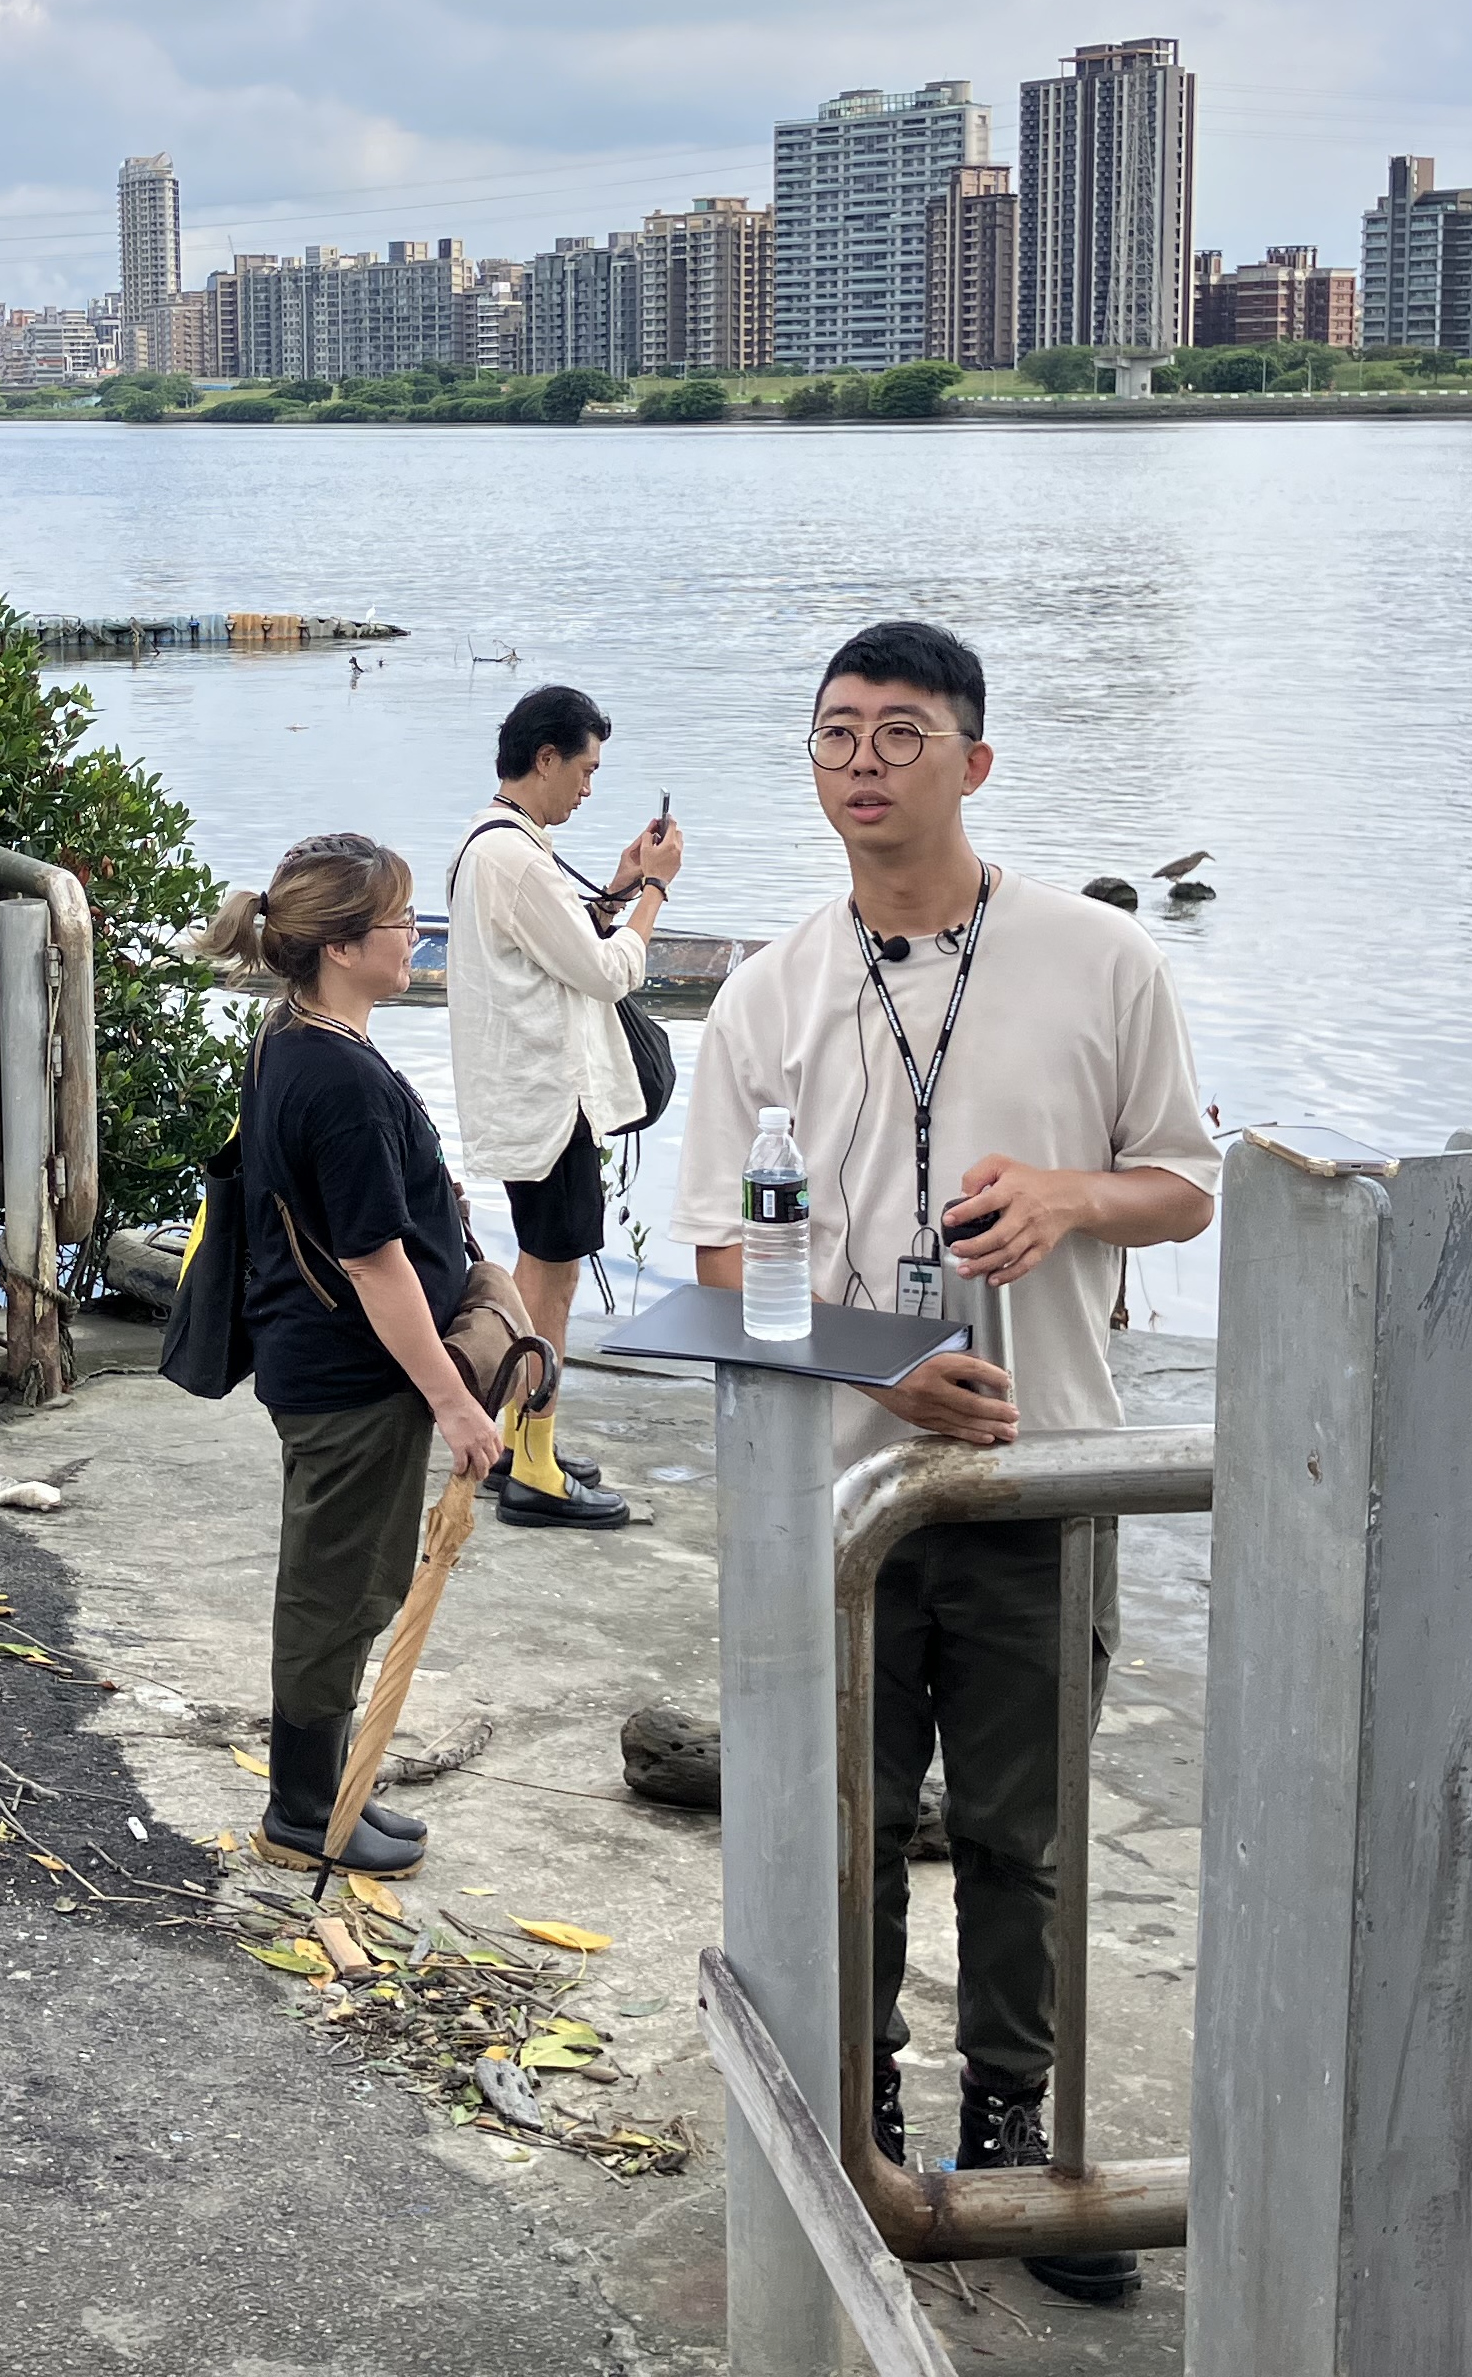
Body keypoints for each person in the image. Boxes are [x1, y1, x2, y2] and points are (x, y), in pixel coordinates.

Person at [672, 618, 1218, 2308]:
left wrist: (1067, 1196)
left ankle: (1014, 2134)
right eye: (836, 730)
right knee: (843, 1831)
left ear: (974, 761)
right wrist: (881, 1364)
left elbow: (1186, 1183)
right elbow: (715, 1257)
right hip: (841, 1495)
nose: (863, 760)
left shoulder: (1098, 960)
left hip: (1044, 1478)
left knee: (1020, 1836)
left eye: (901, 731)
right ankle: (862, 2121)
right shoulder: (770, 991)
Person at [200, 833, 500, 1877]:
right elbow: (373, 1264)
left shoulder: (296, 1034)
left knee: (347, 1582)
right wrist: (454, 1400)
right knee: (336, 1592)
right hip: (350, 1376)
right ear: (339, 945)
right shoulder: (337, 1078)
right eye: (400, 923)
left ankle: (327, 1791)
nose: (415, 937)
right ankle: (301, 1811)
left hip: (325, 1358)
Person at [443, 683, 683, 1530]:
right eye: (585, 770)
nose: (587, 788)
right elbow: (608, 972)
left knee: (543, 1264)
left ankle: (516, 1442)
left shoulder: (494, 842)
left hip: (529, 1095)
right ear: (545, 759)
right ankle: (535, 1466)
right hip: (550, 1100)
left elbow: (558, 945)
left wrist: (616, 888)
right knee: (553, 1275)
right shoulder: (513, 856)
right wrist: (654, 893)